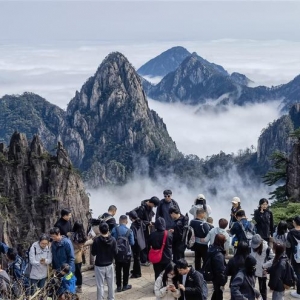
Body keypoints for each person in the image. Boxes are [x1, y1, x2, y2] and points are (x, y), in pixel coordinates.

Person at [91, 222, 117, 300]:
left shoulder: (96, 240)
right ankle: (111, 298)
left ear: (100, 230)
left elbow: (93, 252)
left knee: (100, 285)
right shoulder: (113, 239)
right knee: (111, 284)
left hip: (99, 265)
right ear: (108, 229)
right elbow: (116, 252)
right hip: (109, 264)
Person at [133, 196, 159, 266]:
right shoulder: (142, 208)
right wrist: (148, 223)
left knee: (148, 244)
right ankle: (143, 260)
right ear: (151, 203)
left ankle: (148, 259)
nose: (154, 207)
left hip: (148, 229)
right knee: (143, 245)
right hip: (142, 229)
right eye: (154, 205)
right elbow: (139, 220)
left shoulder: (150, 207)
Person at [111, 215, 134, 292]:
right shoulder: (129, 231)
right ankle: (125, 285)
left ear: (119, 221)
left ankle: (118, 286)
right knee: (126, 270)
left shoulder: (114, 229)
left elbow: (112, 240)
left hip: (117, 254)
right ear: (126, 222)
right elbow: (132, 243)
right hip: (127, 254)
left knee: (118, 270)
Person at [250, 234, 274, 300]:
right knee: (250, 287)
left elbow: (274, 258)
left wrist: (265, 265)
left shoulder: (267, 248)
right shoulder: (250, 245)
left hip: (262, 271)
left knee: (262, 289)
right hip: (252, 269)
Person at [206, 234, 228, 300]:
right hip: (218, 277)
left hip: (213, 274)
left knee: (216, 291)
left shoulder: (211, 249)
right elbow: (220, 270)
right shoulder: (219, 255)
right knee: (219, 294)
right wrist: (223, 281)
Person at [70, 221, 88, 293]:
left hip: (71, 256)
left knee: (71, 272)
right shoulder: (82, 236)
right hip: (78, 257)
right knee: (78, 272)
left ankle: (72, 286)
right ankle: (79, 287)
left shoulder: (70, 235)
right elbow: (82, 246)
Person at [127, 210, 146, 279]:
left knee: (136, 259)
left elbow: (133, 236)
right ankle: (135, 270)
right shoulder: (140, 222)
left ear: (131, 217)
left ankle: (137, 273)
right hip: (141, 243)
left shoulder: (133, 225)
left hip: (135, 244)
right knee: (137, 258)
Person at [286, 215, 300, 298]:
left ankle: (299, 292)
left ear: (294, 222)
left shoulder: (291, 233)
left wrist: (288, 256)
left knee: (298, 274)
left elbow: (288, 246)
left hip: (296, 256)